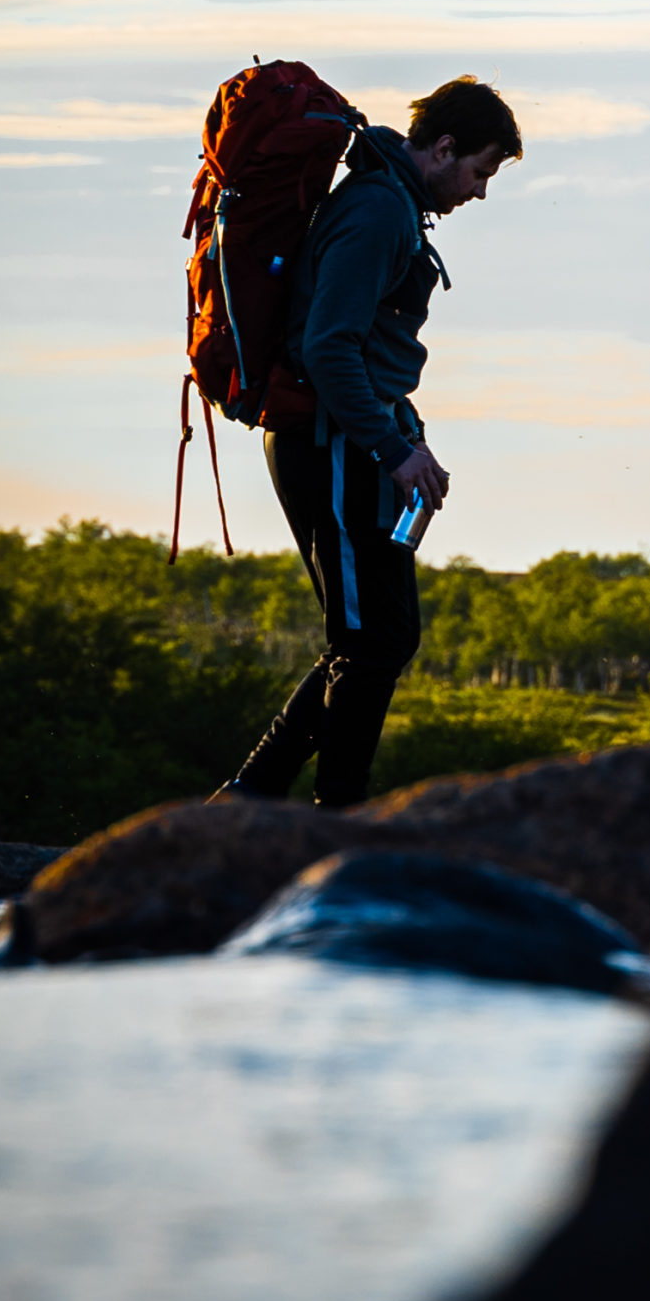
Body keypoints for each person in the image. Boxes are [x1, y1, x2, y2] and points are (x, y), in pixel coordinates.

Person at [214, 76, 522, 807]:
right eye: (480, 171)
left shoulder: (391, 204)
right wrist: (391, 449)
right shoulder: (379, 211)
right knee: (369, 641)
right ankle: (332, 814)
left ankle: (253, 799)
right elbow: (327, 348)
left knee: (380, 637)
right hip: (330, 448)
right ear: (444, 148)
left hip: (352, 444)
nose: (479, 192)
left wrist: (410, 441)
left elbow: (373, 351)